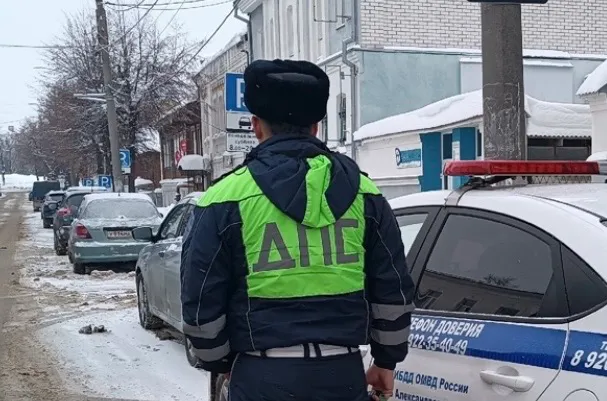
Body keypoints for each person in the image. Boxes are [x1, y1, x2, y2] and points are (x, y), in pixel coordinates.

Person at [180, 59, 415, 401]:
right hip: (343, 376)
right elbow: (392, 290)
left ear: (256, 127)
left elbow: (200, 301)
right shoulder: (366, 196)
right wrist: (385, 360)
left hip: (261, 377)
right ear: (316, 127)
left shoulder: (224, 199)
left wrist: (221, 362)